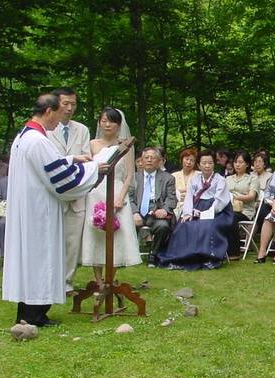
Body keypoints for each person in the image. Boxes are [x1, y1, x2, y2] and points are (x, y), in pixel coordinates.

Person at [3, 94, 102, 326]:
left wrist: (70, 159)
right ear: (48, 111)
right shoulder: (38, 140)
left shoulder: (23, 136)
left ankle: (28, 312)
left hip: (29, 207)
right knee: (41, 260)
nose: (60, 121)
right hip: (40, 211)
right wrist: (93, 168)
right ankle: (34, 315)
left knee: (31, 261)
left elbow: (48, 166)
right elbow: (61, 179)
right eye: (59, 113)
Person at [81, 107, 141, 284]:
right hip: (95, 192)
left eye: (112, 121)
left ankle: (110, 279)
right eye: (104, 120)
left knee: (117, 236)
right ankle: (99, 281)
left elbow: (129, 174)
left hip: (117, 192)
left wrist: (120, 198)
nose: (107, 124)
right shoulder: (92, 144)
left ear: (119, 124)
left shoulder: (126, 145)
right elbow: (87, 169)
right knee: (96, 235)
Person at [46, 87, 92, 293]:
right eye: (65, 103)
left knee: (73, 242)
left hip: (76, 193)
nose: (69, 108)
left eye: (73, 104)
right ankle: (49, 281)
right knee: (51, 240)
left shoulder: (81, 130)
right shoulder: (45, 130)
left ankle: (66, 282)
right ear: (56, 104)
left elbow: (86, 158)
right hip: (53, 192)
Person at [158, 150, 235, 270]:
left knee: (207, 226)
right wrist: (187, 213)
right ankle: (180, 258)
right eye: (204, 163)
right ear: (199, 165)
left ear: (214, 164)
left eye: (210, 163)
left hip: (217, 212)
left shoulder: (220, 180)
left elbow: (221, 201)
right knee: (183, 225)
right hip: (197, 207)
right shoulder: (195, 179)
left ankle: (209, 257)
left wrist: (206, 213)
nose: (207, 166)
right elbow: (189, 197)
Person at [130, 147, 177, 268]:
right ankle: (129, 255)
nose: (149, 160)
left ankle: (154, 254)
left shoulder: (168, 178)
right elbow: (128, 198)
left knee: (163, 226)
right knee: (125, 223)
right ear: (141, 160)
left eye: (153, 158)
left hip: (157, 212)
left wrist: (165, 210)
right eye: (146, 158)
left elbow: (172, 198)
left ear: (159, 161)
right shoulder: (133, 178)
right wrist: (134, 212)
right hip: (138, 211)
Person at [227, 151, 260, 259]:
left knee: (231, 218)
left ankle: (234, 252)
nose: (237, 164)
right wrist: (241, 195)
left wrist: (234, 196)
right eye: (236, 162)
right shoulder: (228, 179)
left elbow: (251, 196)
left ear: (247, 164)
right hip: (229, 208)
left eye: (241, 162)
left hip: (245, 211)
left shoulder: (252, 178)